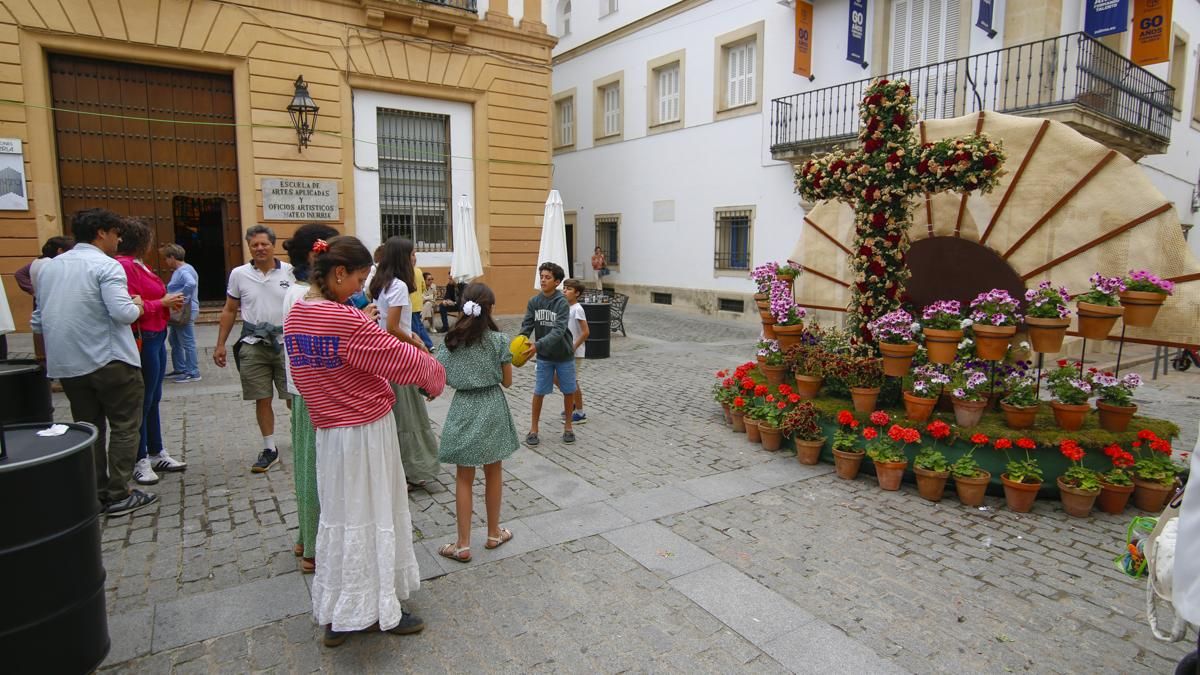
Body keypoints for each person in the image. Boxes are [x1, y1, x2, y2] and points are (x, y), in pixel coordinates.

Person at [283, 235, 445, 648]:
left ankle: (341, 611)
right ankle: (374, 608)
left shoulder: (297, 314)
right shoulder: (345, 320)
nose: (359, 287)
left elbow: (302, 375)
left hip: (329, 435)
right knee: (373, 514)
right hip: (364, 434)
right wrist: (435, 375)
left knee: (339, 516)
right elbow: (397, 356)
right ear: (338, 273)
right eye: (357, 278)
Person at [32, 209, 156, 516]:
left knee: (89, 427)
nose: (119, 240)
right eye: (116, 233)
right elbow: (123, 313)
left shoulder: (49, 269)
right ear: (101, 233)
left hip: (70, 365)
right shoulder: (107, 266)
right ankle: (118, 493)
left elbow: (38, 320)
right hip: (110, 359)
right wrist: (138, 305)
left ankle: (97, 490)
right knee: (126, 426)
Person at [434, 283, 519, 563]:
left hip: (463, 408)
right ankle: (494, 533)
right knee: (494, 471)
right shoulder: (499, 341)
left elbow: (438, 377)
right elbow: (507, 382)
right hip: (492, 405)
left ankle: (462, 544)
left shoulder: (452, 341)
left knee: (464, 477)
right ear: (489, 309)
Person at [281, 223, 340, 575]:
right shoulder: (305, 296)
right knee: (318, 470)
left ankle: (307, 538)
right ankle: (315, 548)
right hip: (316, 393)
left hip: (304, 391)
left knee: (308, 467)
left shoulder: (298, 293)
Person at [214, 225, 295, 473]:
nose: (259, 248)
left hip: (285, 344)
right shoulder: (239, 274)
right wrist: (220, 344)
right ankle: (269, 447)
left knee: (294, 396)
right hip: (253, 343)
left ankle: (303, 435)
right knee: (262, 396)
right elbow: (230, 309)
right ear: (249, 247)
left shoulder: (290, 273)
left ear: (273, 245)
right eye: (254, 245)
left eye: (264, 244)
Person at [116, 219, 187, 486]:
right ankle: (140, 457)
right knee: (143, 399)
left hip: (156, 334)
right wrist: (162, 302)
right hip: (144, 336)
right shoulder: (124, 266)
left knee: (153, 397)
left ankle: (156, 451)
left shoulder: (138, 265)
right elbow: (128, 303)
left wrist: (163, 304)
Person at [367, 237, 442, 490]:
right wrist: (417, 345)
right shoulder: (398, 285)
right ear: (403, 256)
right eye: (412, 253)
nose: (415, 258)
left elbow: (387, 323)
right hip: (399, 357)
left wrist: (412, 334)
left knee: (397, 414)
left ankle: (399, 469)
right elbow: (392, 327)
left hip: (385, 356)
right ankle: (412, 469)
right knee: (408, 416)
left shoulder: (381, 283)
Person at [519, 262, 577, 447]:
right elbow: (527, 325)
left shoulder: (562, 303)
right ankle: (533, 429)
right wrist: (520, 342)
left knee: (568, 391)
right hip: (544, 356)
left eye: (547, 277)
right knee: (539, 391)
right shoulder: (534, 302)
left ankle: (568, 427)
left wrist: (537, 345)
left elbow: (559, 330)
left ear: (557, 281)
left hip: (563, 355)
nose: (543, 280)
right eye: (541, 276)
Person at [17, 236, 74, 363]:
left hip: (41, 299)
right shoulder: (52, 264)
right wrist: (32, 290)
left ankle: (42, 359)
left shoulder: (38, 261)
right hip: (51, 301)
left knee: (39, 328)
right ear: (60, 251)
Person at [162, 244, 201, 383]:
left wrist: (180, 298)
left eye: (167, 258)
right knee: (174, 340)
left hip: (184, 310)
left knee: (187, 341)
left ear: (172, 257)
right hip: (184, 309)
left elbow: (190, 284)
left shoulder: (183, 270)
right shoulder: (186, 268)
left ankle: (192, 372)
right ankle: (180, 368)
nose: (166, 262)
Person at [562, 278, 590, 424]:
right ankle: (572, 404)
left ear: (577, 293)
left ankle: (580, 413)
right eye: (564, 288)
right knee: (564, 379)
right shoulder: (567, 307)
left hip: (575, 352)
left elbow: (586, 332)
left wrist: (574, 346)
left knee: (573, 382)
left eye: (569, 289)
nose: (565, 291)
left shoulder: (578, 309)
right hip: (566, 351)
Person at [409, 262, 434, 349]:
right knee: (419, 324)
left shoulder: (405, 271)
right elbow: (423, 287)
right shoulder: (419, 271)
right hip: (418, 303)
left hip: (410, 304)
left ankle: (420, 347)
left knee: (415, 327)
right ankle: (429, 344)